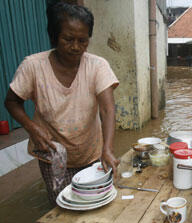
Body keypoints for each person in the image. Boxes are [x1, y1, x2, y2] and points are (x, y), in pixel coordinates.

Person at [4, 2, 119, 205]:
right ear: (53, 36)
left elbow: (108, 108)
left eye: (83, 41)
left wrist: (107, 149)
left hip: (91, 152)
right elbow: (12, 102)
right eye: (68, 39)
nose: (76, 47)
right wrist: (32, 128)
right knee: (62, 206)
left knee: (95, 202)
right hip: (52, 153)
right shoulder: (32, 66)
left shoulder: (97, 66)